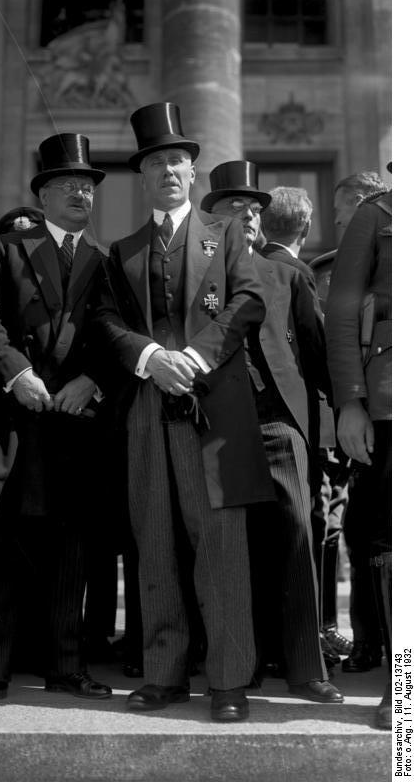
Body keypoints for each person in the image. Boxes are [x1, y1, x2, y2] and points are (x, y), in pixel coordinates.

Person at [95, 103, 274, 723]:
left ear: (192, 171)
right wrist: (148, 355)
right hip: (148, 408)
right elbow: (106, 322)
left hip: (214, 410)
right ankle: (164, 675)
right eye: (155, 162)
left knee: (220, 546)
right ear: (142, 176)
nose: (168, 170)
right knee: (156, 540)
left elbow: (249, 299)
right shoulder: (122, 249)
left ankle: (228, 681)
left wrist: (194, 357)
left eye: (177, 159)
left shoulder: (223, 233)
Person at [0, 133, 111, 707]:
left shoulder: (107, 261)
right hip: (13, 419)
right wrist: (17, 372)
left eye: (88, 186)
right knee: (3, 548)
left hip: (76, 424)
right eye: (69, 185)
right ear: (44, 194)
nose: (81, 193)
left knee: (71, 552)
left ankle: (66, 668)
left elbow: (118, 333)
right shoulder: (4, 249)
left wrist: (92, 381)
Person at [201, 164, 343, 703]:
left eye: (258, 209)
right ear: (214, 219)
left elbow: (315, 351)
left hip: (281, 420)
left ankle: (307, 669)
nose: (252, 216)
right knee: (234, 548)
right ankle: (246, 663)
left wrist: (344, 416)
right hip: (218, 422)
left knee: (296, 539)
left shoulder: (287, 274)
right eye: (239, 207)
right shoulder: (197, 274)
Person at [325, 178, 392, 730]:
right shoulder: (379, 213)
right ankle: (406, 684)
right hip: (393, 394)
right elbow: (343, 313)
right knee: (393, 542)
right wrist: (351, 402)